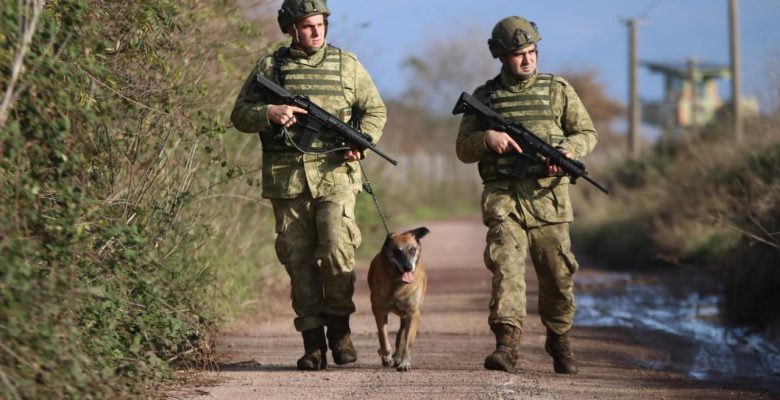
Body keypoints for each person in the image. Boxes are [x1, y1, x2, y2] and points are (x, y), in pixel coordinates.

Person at [230, 0, 386, 371]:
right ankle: (313, 342)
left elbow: (376, 110)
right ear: (291, 29)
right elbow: (239, 114)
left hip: (336, 176)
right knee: (298, 263)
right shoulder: (271, 67)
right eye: (308, 26)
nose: (317, 32)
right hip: (287, 181)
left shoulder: (347, 65)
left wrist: (361, 141)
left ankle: (340, 329)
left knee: (336, 250)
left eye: (321, 25)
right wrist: (269, 113)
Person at [455, 16, 598, 374]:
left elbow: (587, 133)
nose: (527, 60)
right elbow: (462, 148)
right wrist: (487, 140)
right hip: (504, 200)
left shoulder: (557, 90)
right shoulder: (484, 97)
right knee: (507, 271)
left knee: (558, 277)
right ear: (501, 56)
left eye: (532, 52)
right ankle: (507, 346)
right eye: (519, 54)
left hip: (549, 201)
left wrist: (567, 151)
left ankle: (559, 338)